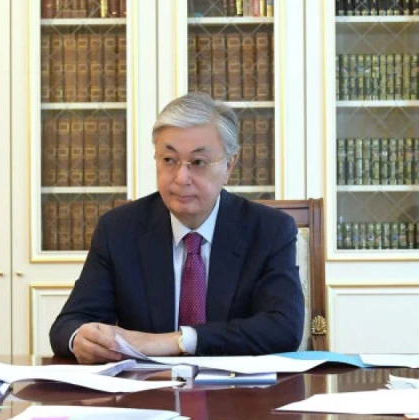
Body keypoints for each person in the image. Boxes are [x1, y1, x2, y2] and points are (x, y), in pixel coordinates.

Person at [49, 92, 304, 363]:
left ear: (229, 165)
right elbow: (68, 325)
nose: (181, 178)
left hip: (238, 385)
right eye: (169, 160)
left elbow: (283, 328)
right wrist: (81, 338)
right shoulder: (118, 230)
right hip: (146, 386)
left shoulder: (269, 230)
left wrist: (177, 341)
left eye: (198, 163)